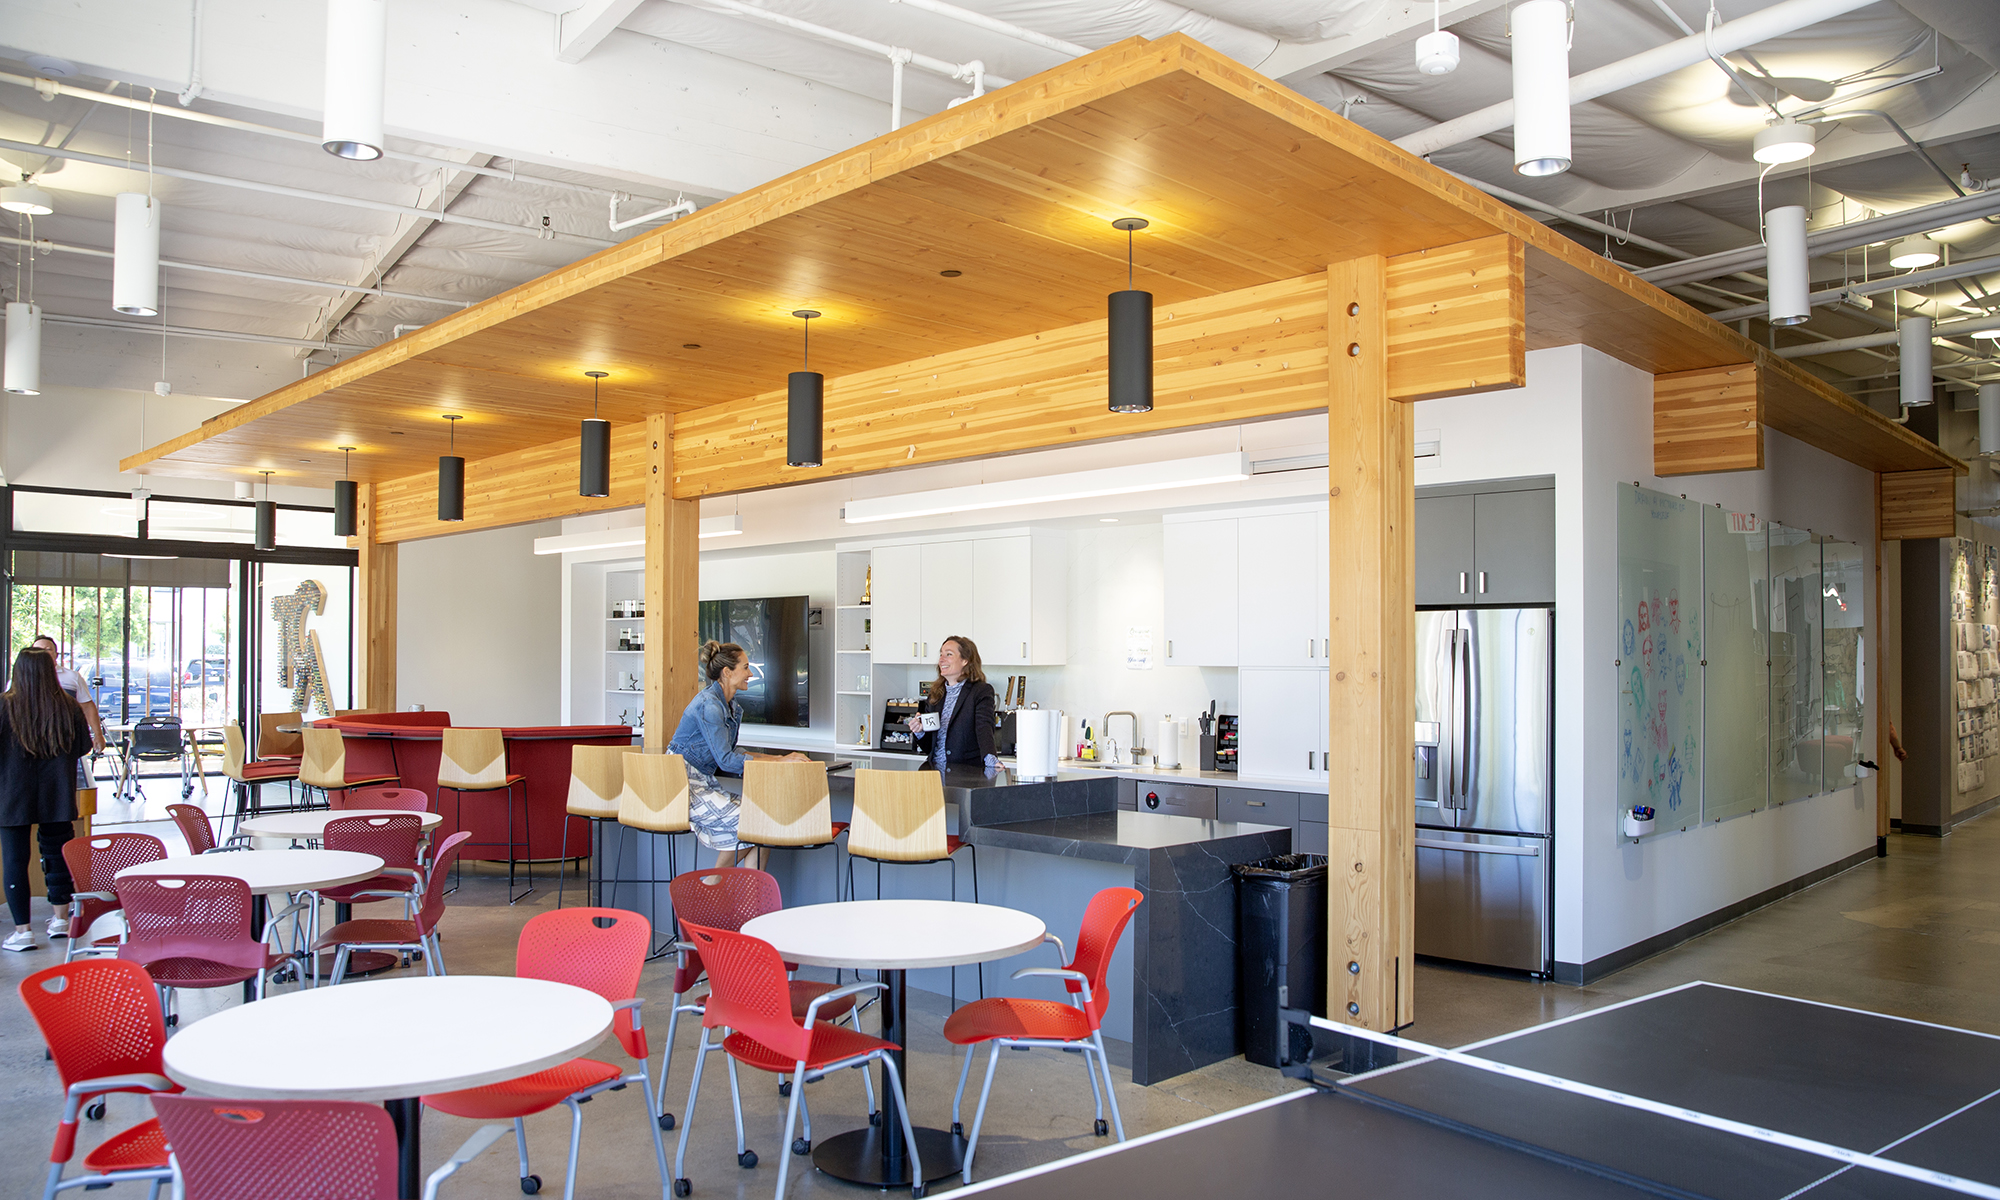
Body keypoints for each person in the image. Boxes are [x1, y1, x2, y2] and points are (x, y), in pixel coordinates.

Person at [668, 640, 808, 868]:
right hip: (682, 786)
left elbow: (732, 752)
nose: (750, 673)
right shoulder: (710, 706)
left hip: (702, 782)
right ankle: (713, 885)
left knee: (762, 817)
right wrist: (778, 761)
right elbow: (727, 761)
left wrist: (780, 759)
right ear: (727, 672)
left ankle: (750, 897)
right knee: (756, 819)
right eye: (745, 667)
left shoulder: (732, 707)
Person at [0, 647, 93, 951]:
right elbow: (82, 747)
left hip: (12, 794)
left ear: (18, 671)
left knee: (15, 860)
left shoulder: (4, 707)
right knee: (56, 855)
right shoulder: (68, 707)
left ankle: (23, 931)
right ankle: (60, 920)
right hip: (58, 793)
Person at [906, 635, 998, 772]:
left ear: (965, 660)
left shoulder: (981, 691)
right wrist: (920, 732)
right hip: (933, 773)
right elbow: (929, 748)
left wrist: (990, 758)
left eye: (949, 654)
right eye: (941, 654)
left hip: (965, 773)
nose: (941, 660)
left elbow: (984, 727)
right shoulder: (935, 694)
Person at [31, 636, 106, 759]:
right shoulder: (22, 678)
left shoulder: (72, 677)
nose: (43, 654)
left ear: (56, 654)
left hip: (64, 740)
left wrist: (98, 734)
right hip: (32, 739)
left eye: (48, 649)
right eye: (38, 650)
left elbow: (87, 707)